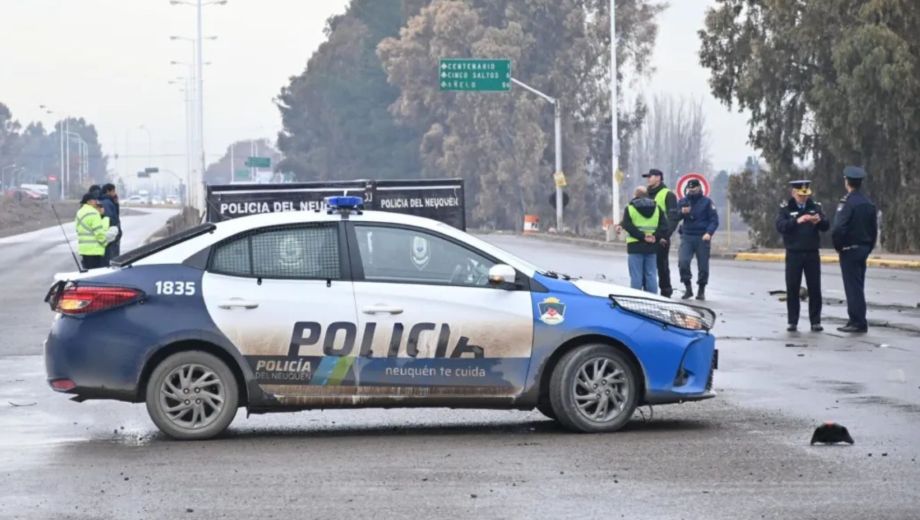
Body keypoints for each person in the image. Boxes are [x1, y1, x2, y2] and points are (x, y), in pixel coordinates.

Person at [775, 180, 829, 332]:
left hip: (812, 252)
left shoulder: (815, 206)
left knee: (815, 288)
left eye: (805, 195)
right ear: (794, 193)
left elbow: (826, 226)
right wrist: (797, 220)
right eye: (800, 196)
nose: (803, 198)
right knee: (792, 288)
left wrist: (819, 221)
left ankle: (815, 321)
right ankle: (793, 321)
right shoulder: (786, 208)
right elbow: (781, 226)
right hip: (794, 253)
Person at [832, 166, 878, 333]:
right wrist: (869, 247)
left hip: (849, 250)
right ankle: (856, 319)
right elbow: (873, 229)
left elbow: (839, 228)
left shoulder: (847, 202)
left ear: (847, 182)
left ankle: (857, 321)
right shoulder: (868, 203)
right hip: (863, 249)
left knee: (852, 287)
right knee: (858, 285)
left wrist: (838, 246)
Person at [676, 179, 719, 300]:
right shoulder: (684, 201)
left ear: (699, 188)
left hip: (702, 236)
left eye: (694, 189)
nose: (692, 191)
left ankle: (701, 289)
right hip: (687, 236)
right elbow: (674, 216)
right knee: (683, 262)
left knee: (703, 266)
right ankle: (688, 287)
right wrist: (682, 212)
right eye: (690, 189)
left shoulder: (707, 202)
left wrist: (709, 233)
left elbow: (714, 220)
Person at [621, 186, 668, 293]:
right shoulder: (657, 208)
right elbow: (664, 226)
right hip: (652, 246)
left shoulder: (630, 208)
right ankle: (652, 299)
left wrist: (642, 237)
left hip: (635, 246)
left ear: (635, 196)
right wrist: (655, 236)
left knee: (636, 276)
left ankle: (636, 300)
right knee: (651, 275)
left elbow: (627, 225)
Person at [644, 169, 679, 297]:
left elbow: (673, 218)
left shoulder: (668, 195)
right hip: (645, 237)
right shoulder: (645, 194)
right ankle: (647, 292)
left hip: (660, 237)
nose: (648, 179)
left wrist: (665, 236)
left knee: (661, 265)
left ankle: (665, 291)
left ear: (658, 178)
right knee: (646, 266)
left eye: (650, 176)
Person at [74, 193, 110, 270]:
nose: (96, 202)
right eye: (94, 200)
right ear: (89, 202)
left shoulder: (79, 212)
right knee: (95, 274)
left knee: (87, 273)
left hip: (83, 249)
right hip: (94, 249)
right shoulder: (94, 213)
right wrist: (104, 243)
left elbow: (77, 229)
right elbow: (98, 232)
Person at [99, 183, 122, 264]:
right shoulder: (107, 202)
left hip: (111, 235)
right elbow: (111, 219)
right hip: (111, 236)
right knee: (112, 260)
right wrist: (116, 232)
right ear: (108, 191)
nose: (115, 193)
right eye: (113, 191)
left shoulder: (109, 201)